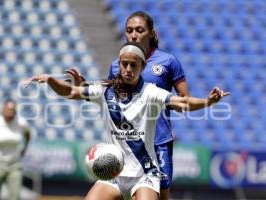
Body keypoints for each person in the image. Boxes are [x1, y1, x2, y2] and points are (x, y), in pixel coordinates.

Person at [25, 42, 228, 200]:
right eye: (124, 64)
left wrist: (207, 101)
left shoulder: (151, 93)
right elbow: (70, 91)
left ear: (142, 67)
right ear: (119, 64)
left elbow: (182, 103)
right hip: (114, 173)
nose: (128, 69)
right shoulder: (103, 91)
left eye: (134, 65)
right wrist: (52, 81)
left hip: (145, 174)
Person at [66, 11, 191, 200]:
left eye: (139, 30)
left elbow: (185, 99)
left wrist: (159, 103)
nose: (134, 35)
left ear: (151, 33)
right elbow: (111, 98)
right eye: (129, 30)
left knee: (162, 196)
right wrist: (84, 87)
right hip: (130, 142)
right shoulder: (118, 65)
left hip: (159, 140)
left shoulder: (168, 61)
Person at [0, 99, 31, 200]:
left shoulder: (21, 122)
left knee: (15, 196)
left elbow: (28, 135)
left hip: (14, 164)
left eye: (13, 110)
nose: (10, 112)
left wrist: (24, 149)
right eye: (8, 109)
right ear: (3, 110)